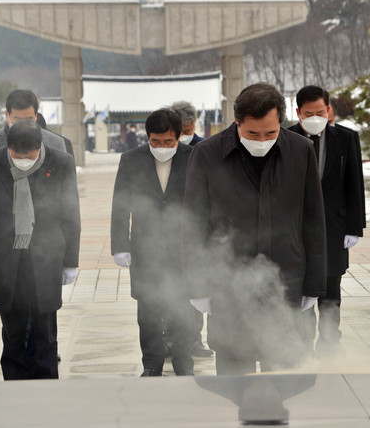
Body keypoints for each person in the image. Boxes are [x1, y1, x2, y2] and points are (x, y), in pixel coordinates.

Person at [183, 82, 327, 375]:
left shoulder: (301, 151)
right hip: (228, 284)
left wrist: (313, 284)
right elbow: (194, 224)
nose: (262, 140)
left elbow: (313, 219)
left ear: (282, 122)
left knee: (287, 379)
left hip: (287, 278)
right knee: (236, 380)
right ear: (237, 121)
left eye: (271, 133)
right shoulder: (207, 154)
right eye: (252, 133)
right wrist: (197, 285)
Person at [0, 120, 80, 380]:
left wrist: (70, 261)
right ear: (8, 146)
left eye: (29, 155)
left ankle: (46, 383)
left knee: (44, 330)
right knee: (13, 331)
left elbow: (70, 212)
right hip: (6, 255)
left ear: (40, 146)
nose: (23, 160)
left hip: (47, 255)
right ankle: (14, 385)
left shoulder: (61, 162)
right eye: (16, 155)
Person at [111, 108, 195, 377]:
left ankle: (184, 363)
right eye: (155, 142)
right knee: (148, 309)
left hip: (183, 248)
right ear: (147, 138)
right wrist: (120, 244)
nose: (162, 147)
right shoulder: (131, 160)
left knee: (183, 308)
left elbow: (204, 203)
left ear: (179, 137)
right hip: (145, 247)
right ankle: (151, 364)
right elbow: (120, 204)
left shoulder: (194, 158)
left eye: (168, 142)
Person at [288, 86, 364, 353]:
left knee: (331, 288)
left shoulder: (346, 138)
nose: (315, 117)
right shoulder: (287, 138)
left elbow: (355, 184)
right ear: (298, 113)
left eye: (320, 112)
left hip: (334, 226)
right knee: (301, 286)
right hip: (297, 228)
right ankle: (303, 339)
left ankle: (330, 341)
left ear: (328, 110)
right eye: (309, 113)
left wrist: (354, 227)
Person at [0, 90, 70, 249]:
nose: (24, 124)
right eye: (17, 119)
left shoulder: (54, 143)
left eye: (29, 119)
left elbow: (66, 199)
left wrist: (69, 255)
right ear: (7, 115)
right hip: (3, 241)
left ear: (36, 116)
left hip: (47, 242)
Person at [168, 100, 211, 358]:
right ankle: (169, 339)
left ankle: (195, 340)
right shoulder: (165, 146)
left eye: (188, 128)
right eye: (180, 129)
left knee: (196, 287)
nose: (184, 134)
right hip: (169, 228)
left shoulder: (206, 148)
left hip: (196, 227)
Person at [328, 97, 366, 229]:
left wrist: (357, 225)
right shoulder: (293, 136)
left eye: (329, 122)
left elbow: (355, 182)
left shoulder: (348, 137)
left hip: (337, 216)